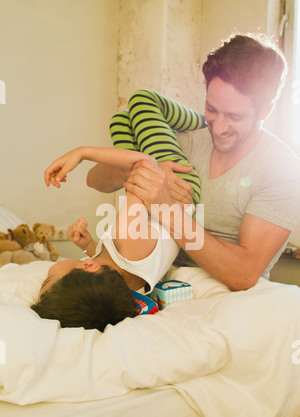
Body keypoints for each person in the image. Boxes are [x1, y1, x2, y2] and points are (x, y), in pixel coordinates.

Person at [87, 33, 300, 292]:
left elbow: (243, 274)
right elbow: (95, 179)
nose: (218, 127)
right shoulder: (186, 141)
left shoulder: (282, 168)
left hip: (224, 298)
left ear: (265, 110)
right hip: (159, 286)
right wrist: (143, 170)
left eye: (234, 116)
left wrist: (167, 210)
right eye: (211, 109)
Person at [32, 95, 206, 331]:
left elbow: (108, 258)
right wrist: (82, 153)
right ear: (88, 268)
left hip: (161, 188)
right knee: (143, 101)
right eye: (48, 280)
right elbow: (144, 165)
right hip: (176, 182)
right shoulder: (128, 239)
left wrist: (88, 245)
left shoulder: (127, 285)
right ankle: (207, 122)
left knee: (121, 121)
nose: (45, 277)